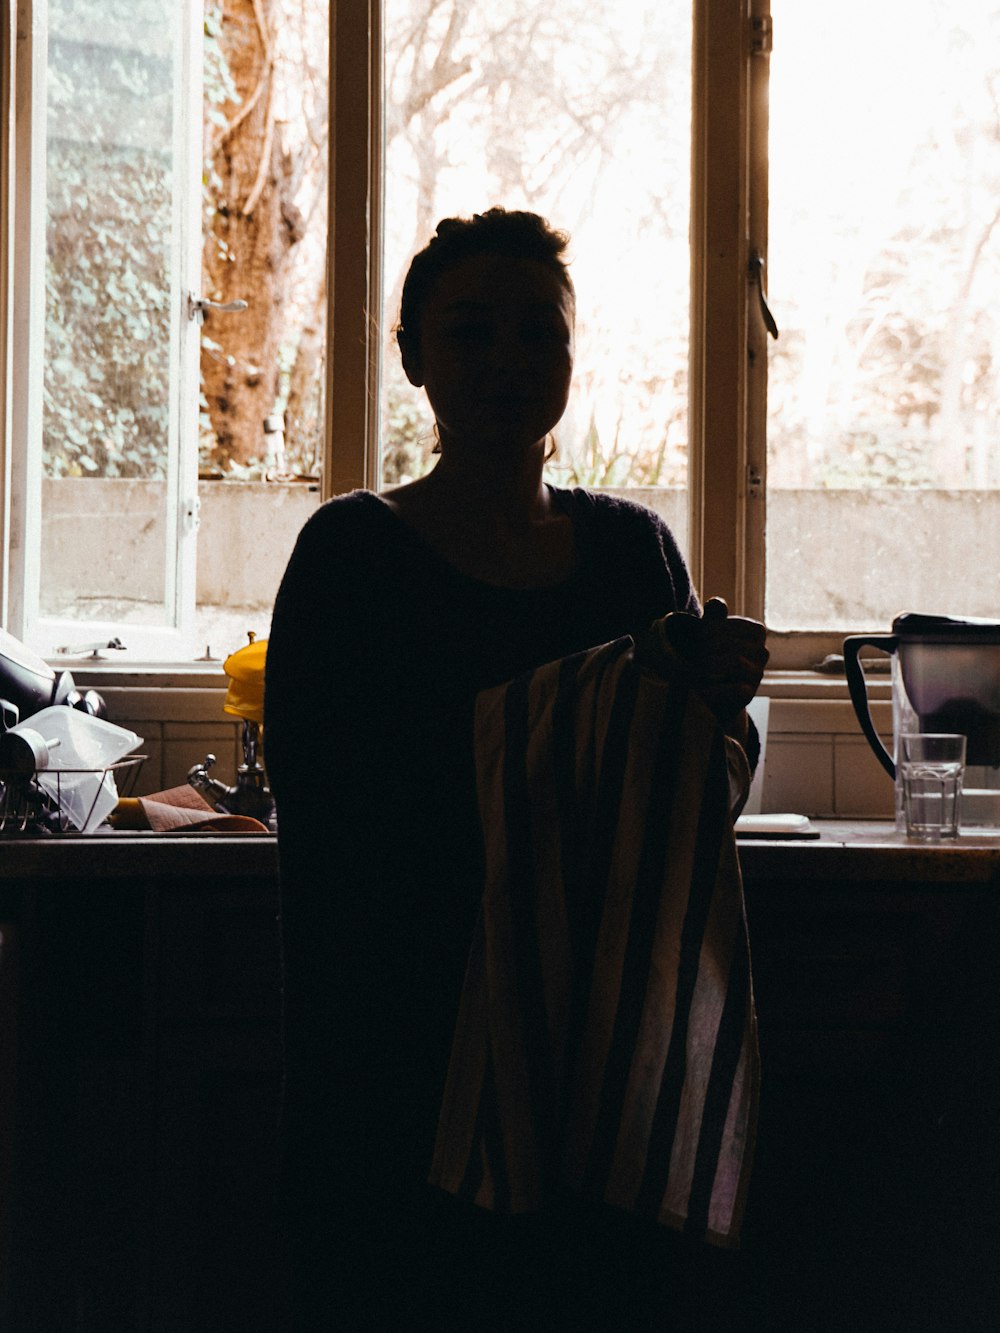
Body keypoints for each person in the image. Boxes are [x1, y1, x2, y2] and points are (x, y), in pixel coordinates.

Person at [265, 207, 768, 1329]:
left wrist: (721, 697)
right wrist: (594, 702)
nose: (507, 362)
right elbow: (339, 803)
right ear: (412, 359)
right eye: (471, 333)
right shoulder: (350, 556)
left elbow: (696, 782)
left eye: (538, 335)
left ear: (573, 358)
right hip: (406, 1060)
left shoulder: (634, 551)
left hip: (594, 1061)